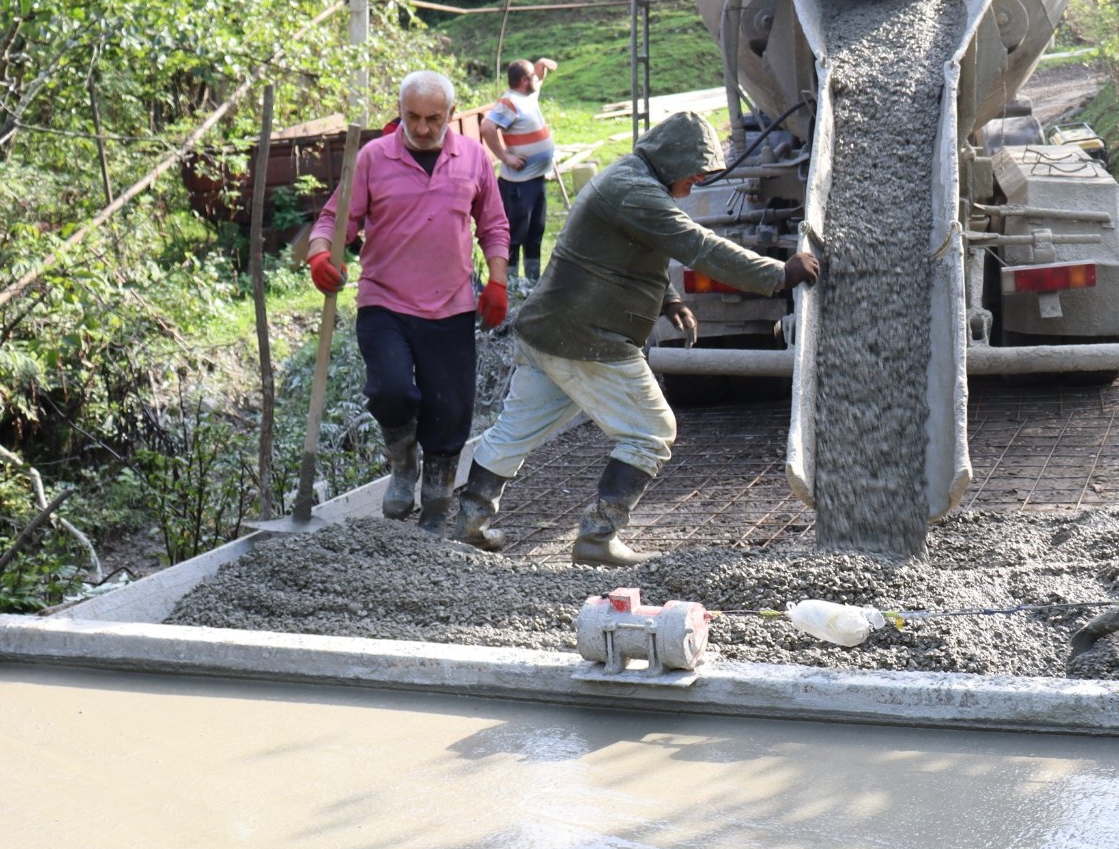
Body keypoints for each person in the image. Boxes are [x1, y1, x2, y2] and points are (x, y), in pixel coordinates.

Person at [448, 111, 819, 566]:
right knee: (652, 432)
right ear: (674, 160)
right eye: (695, 172)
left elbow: (633, 250)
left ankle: (470, 527)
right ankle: (598, 537)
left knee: (514, 432)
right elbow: (697, 245)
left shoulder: (631, 179)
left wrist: (670, 300)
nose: (698, 181)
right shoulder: (635, 191)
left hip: (547, 330)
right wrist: (779, 273)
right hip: (586, 337)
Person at [307, 70, 510, 530]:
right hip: (385, 301)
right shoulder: (373, 158)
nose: (421, 127)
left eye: (432, 119)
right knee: (391, 389)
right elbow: (335, 219)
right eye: (411, 117)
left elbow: (494, 225)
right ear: (399, 112)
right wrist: (320, 256)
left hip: (451, 304)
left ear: (450, 114)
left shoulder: (473, 158)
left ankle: (436, 508)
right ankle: (402, 464)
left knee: (450, 410)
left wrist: (497, 282)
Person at [480, 57, 559, 293]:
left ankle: (533, 281)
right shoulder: (510, 102)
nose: (537, 79)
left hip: (536, 180)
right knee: (514, 235)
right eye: (532, 77)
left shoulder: (528, 95)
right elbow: (487, 128)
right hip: (518, 186)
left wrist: (541, 65)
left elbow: (538, 78)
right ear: (524, 81)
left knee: (535, 233)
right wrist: (505, 157)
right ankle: (511, 283)